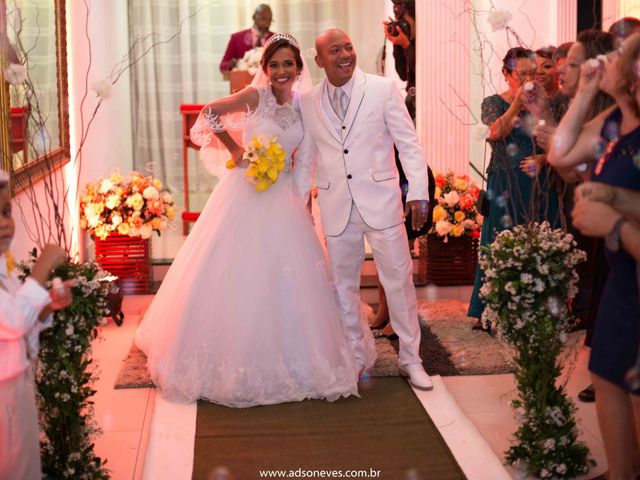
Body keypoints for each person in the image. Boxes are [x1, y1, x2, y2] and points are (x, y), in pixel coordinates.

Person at [136, 34, 374, 408]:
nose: (282, 71)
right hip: (244, 194)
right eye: (275, 65)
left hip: (283, 200)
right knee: (234, 273)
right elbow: (208, 115)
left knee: (290, 279)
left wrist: (306, 204)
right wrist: (235, 150)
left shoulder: (302, 108)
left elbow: (306, 159)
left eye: (288, 64)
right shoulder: (254, 97)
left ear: (298, 68)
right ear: (265, 70)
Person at [296, 28, 433, 391]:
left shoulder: (382, 88)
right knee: (342, 286)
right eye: (335, 50)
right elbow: (307, 157)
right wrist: (296, 205)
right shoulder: (308, 101)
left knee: (398, 280)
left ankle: (411, 358)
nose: (345, 55)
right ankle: (355, 355)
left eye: (349, 47)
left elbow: (409, 145)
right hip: (336, 205)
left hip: (383, 202)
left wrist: (418, 191)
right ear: (319, 60)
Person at [548, 32, 640, 480]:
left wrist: (616, 223)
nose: (608, 59)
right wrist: (585, 90)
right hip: (624, 277)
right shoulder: (612, 121)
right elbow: (561, 151)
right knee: (606, 375)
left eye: (618, 55)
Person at [467, 47, 562, 323]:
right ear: (507, 74)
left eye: (532, 72)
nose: (529, 79)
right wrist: (518, 102)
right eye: (522, 74)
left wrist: (545, 159)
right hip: (505, 183)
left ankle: (540, 307)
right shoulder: (493, 102)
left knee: (541, 242)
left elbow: (559, 140)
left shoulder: (547, 103)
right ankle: (495, 309)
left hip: (539, 184)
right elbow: (496, 132)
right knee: (500, 241)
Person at [0, 171, 73, 479]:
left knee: (25, 463)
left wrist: (45, 310)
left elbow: (16, 323)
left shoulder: (4, 263)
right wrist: (43, 265)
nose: (4, 222)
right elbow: (13, 321)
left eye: (5, 212)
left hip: (16, 382)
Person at [371, 0, 435, 340]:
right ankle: (384, 310)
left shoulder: (422, 34)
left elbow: (418, 72)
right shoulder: (401, 29)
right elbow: (398, 68)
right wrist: (398, 45)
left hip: (406, 166)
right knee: (385, 249)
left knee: (398, 251)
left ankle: (397, 316)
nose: (396, 8)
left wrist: (407, 44)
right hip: (387, 164)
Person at [219, 4, 274, 73]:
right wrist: (232, 64)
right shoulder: (237, 38)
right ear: (254, 17)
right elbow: (222, 66)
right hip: (243, 81)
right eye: (262, 18)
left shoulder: (275, 39)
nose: (265, 23)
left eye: (269, 20)